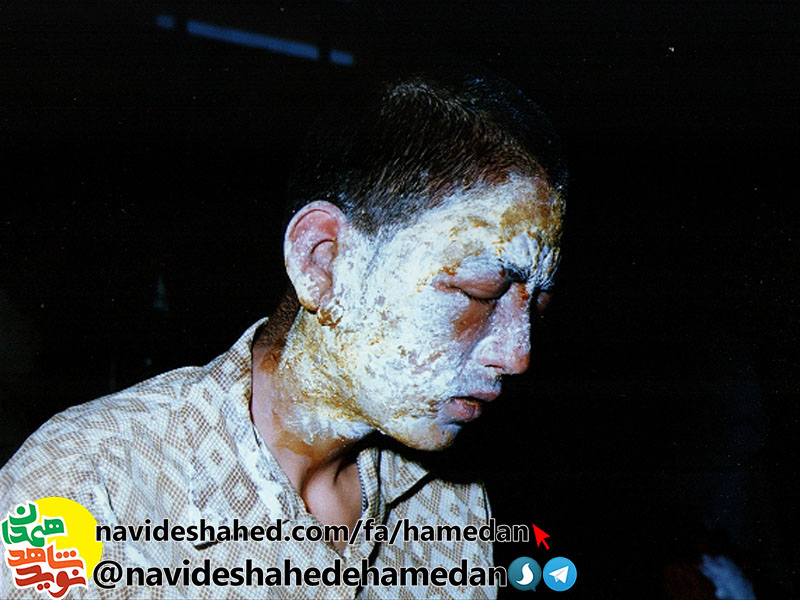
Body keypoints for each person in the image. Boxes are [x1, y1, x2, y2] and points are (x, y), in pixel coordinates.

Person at [0, 68, 566, 599]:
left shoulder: (451, 503)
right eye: (479, 293)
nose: (517, 354)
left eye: (536, 308)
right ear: (323, 262)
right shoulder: (82, 488)